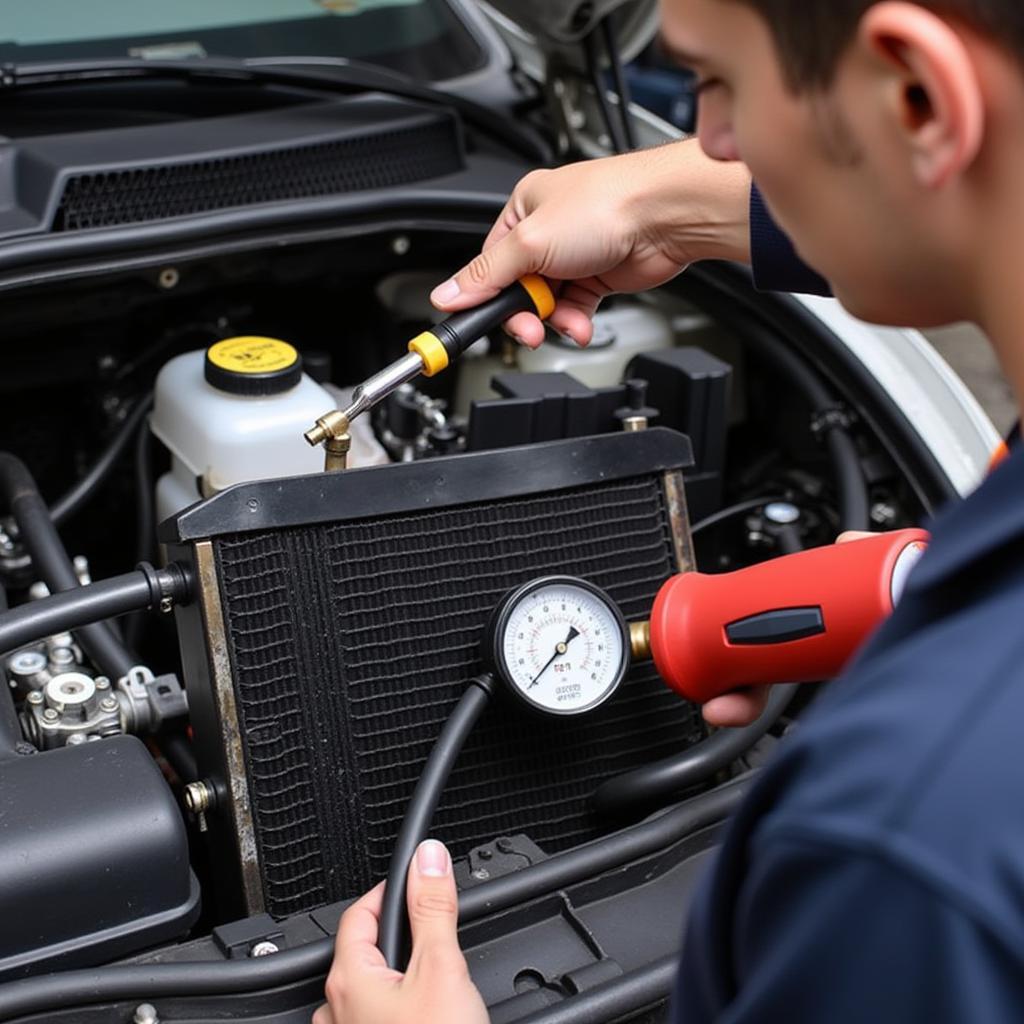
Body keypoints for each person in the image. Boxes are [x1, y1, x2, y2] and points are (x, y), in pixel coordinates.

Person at [313, 1, 1024, 1020]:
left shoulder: (903, 854)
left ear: (916, 95)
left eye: (715, 83)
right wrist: (664, 205)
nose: (709, 139)